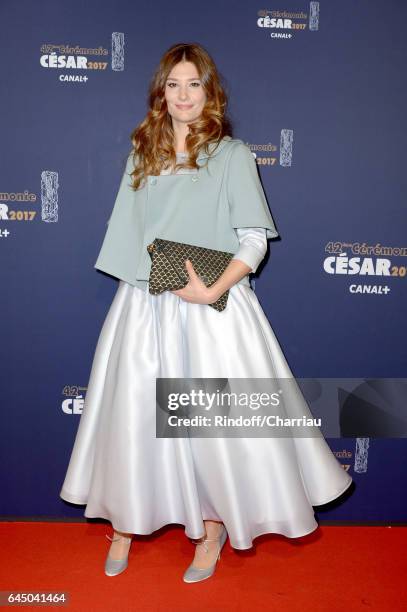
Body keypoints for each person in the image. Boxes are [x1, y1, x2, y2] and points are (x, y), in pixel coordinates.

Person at [60, 42, 352, 583]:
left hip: (212, 305)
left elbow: (253, 239)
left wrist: (209, 287)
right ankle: (123, 524)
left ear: (209, 91)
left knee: (210, 426)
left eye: (193, 84)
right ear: (160, 94)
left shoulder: (233, 155)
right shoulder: (141, 155)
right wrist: (149, 291)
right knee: (134, 418)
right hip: (147, 304)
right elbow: (127, 235)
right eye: (173, 84)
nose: (183, 95)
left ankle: (213, 530)